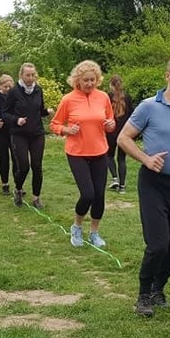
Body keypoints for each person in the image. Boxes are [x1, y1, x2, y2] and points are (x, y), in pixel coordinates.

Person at [117, 56, 170, 317]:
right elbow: (123, 138)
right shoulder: (148, 108)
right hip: (153, 183)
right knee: (158, 244)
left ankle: (158, 287)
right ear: (168, 76)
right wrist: (145, 158)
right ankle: (143, 295)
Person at [51, 60, 116, 248]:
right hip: (77, 152)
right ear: (77, 80)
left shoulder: (103, 97)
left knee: (99, 195)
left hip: (99, 150)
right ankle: (77, 226)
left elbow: (109, 119)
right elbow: (55, 124)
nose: (89, 84)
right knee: (87, 194)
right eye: (86, 80)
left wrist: (111, 125)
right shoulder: (68, 99)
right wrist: (66, 130)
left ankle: (94, 232)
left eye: (93, 80)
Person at [3, 63, 51, 209]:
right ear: (21, 76)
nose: (31, 78)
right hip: (19, 134)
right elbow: (5, 113)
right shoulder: (14, 92)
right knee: (24, 166)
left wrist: (47, 111)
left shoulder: (38, 90)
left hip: (37, 133)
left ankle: (36, 198)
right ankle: (18, 189)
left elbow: (39, 110)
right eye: (27, 75)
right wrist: (16, 120)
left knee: (37, 165)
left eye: (33, 75)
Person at [106, 74, 133, 194]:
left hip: (111, 131)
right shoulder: (127, 97)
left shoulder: (108, 97)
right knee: (122, 159)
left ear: (111, 85)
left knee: (108, 155)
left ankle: (114, 177)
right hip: (124, 132)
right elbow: (132, 115)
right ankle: (122, 186)